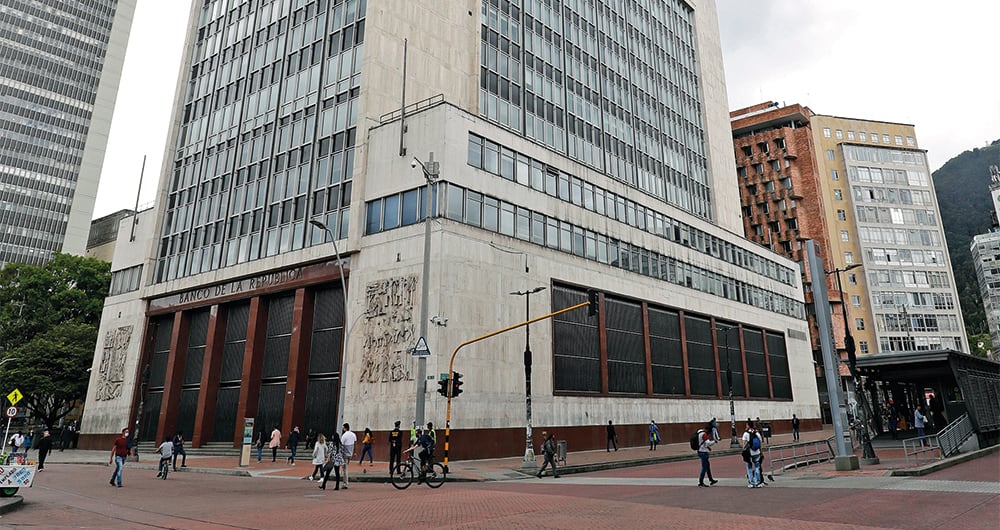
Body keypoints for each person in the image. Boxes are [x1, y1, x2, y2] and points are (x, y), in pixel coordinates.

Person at [742, 420, 764, 488]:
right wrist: (761, 452)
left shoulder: (745, 434)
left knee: (749, 467)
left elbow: (743, 445)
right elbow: (760, 444)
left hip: (749, 453)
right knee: (757, 467)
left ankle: (751, 482)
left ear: (748, 425)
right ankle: (757, 482)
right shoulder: (757, 433)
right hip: (756, 452)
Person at [696, 421, 718, 487]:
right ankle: (701, 482)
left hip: (700, 450)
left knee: (707, 466)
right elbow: (708, 443)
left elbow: (702, 442)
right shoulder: (704, 434)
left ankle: (711, 480)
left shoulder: (699, 432)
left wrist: (708, 447)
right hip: (703, 452)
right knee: (704, 467)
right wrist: (714, 441)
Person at [340, 423, 356, 489]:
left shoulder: (344, 436)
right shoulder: (353, 434)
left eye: (343, 428)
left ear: (345, 428)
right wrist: (355, 452)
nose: (342, 429)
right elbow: (355, 443)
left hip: (345, 454)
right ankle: (345, 482)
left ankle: (345, 483)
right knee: (346, 468)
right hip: (350, 453)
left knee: (345, 469)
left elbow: (341, 445)